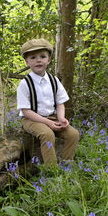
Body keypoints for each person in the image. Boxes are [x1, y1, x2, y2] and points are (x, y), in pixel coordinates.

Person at [17, 38, 80, 166]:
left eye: (42, 56)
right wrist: (48, 123)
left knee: (73, 134)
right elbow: (26, 111)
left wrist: (61, 118)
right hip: (31, 120)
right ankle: (52, 169)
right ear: (27, 62)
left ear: (49, 60)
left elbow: (60, 102)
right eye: (33, 57)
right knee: (47, 134)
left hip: (52, 117)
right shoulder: (25, 84)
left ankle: (67, 162)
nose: (38, 60)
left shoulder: (54, 80)